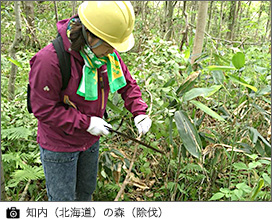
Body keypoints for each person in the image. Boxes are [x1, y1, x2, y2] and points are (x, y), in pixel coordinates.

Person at [28, 1, 152, 201]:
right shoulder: (50, 60)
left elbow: (127, 84)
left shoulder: (105, 55)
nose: (113, 51)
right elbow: (43, 109)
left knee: (85, 194)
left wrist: (139, 111)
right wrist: (86, 123)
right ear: (90, 35)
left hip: (90, 141)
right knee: (63, 202)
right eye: (109, 45)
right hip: (60, 145)